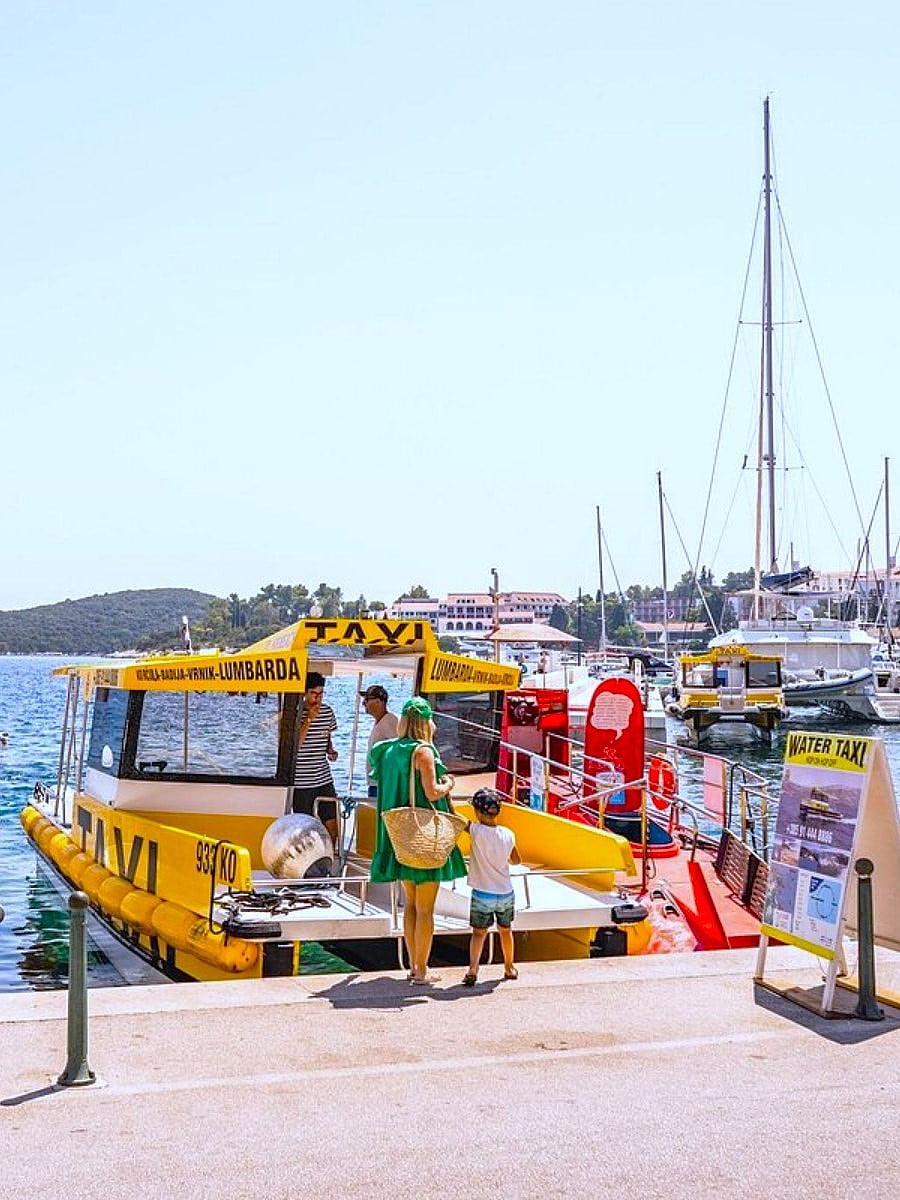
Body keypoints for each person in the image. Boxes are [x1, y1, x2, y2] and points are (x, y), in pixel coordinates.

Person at [368, 696, 465, 984]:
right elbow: (433, 792)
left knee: (410, 906)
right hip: (423, 835)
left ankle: (413, 966)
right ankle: (422, 971)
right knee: (426, 909)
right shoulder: (423, 751)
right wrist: (449, 783)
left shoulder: (386, 750)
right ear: (425, 722)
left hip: (400, 837)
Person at [462, 787, 521, 987]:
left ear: (478, 812)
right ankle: (509, 967)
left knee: (479, 933)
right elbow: (516, 860)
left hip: (483, 893)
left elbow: (455, 818)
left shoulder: (476, 831)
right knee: (506, 930)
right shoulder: (508, 834)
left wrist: (445, 794)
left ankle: (473, 969)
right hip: (505, 892)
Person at [293, 671, 339, 849]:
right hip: (302, 781)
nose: (318, 698)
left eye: (321, 694)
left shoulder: (327, 712)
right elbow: (296, 744)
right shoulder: (296, 713)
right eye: (314, 693)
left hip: (323, 777)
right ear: (304, 693)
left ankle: (329, 861)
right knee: (305, 829)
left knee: (332, 825)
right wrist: (309, 719)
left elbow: (326, 736)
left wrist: (330, 750)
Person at [359, 684, 399, 798]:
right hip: (377, 784)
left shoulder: (389, 721)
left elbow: (399, 749)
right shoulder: (381, 721)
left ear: (378, 702)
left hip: (383, 785)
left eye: (367, 700)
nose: (364, 703)